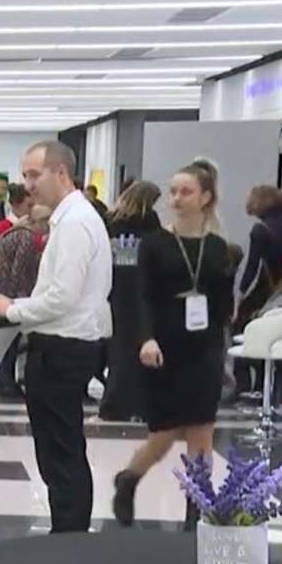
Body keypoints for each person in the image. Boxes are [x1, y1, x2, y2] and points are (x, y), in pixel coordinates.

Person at [0, 141, 112, 533]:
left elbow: (62, 297)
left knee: (61, 453)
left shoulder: (74, 224)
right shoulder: (71, 219)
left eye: (34, 175)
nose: (28, 184)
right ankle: (67, 532)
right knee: (60, 451)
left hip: (62, 349)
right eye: (25, 175)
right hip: (63, 346)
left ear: (61, 173)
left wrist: (12, 310)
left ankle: (68, 536)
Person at [112, 160, 235, 528]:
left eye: (186, 192)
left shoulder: (218, 248)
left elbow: (223, 303)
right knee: (163, 434)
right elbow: (142, 296)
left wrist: (220, 346)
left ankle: (195, 511)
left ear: (206, 197)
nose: (177, 199)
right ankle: (129, 478)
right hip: (164, 349)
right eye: (173, 192)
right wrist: (146, 338)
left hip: (204, 350)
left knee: (201, 432)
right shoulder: (155, 244)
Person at [99, 180, 162, 422]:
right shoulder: (149, 220)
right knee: (138, 345)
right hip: (140, 285)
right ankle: (138, 404)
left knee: (117, 348)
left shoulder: (111, 219)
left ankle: (114, 402)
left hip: (115, 286)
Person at [0, 203, 51, 398]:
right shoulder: (26, 237)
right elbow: (18, 270)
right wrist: (18, 300)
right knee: (9, 340)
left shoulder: (16, 232)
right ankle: (4, 382)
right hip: (6, 290)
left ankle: (3, 380)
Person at [236, 185, 282, 330]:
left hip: (269, 295)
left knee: (242, 324)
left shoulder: (260, 229)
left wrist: (239, 297)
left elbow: (252, 268)